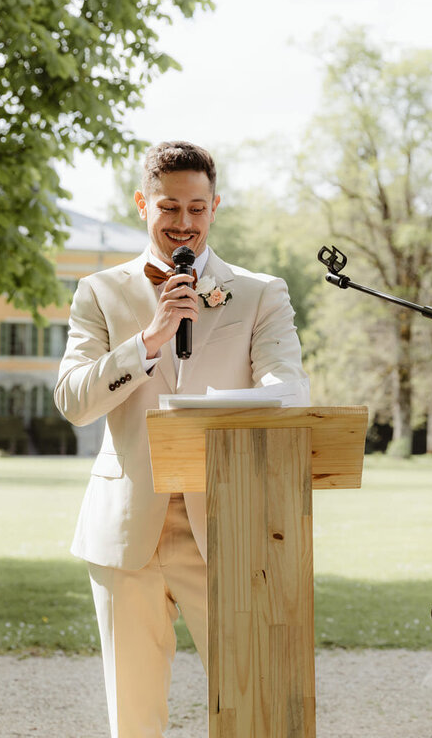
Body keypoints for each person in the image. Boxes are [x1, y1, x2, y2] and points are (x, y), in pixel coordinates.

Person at [54, 140, 307, 738]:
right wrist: (149, 339)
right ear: (144, 203)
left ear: (214, 207)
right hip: (126, 530)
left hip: (230, 524)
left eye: (197, 209)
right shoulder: (100, 292)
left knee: (254, 708)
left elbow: (286, 385)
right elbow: (73, 400)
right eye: (170, 208)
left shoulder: (260, 292)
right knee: (134, 717)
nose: (184, 225)